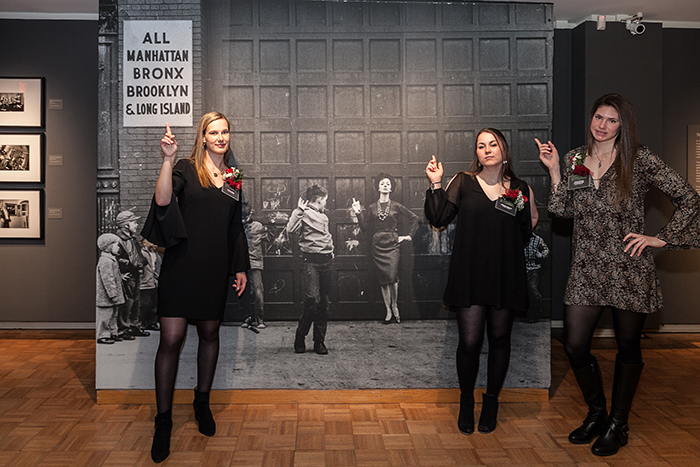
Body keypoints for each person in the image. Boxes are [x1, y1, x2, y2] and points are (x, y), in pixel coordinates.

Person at [537, 94, 700, 456]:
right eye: (599, 117)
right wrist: (554, 171)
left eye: (612, 120)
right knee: (575, 345)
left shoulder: (640, 160)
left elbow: (689, 198)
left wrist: (662, 238)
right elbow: (561, 209)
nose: (603, 125)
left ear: (622, 126)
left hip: (630, 267)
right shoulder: (575, 158)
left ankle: (618, 423)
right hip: (587, 266)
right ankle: (597, 412)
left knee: (628, 346)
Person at [141, 113, 250, 463]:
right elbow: (161, 202)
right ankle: (163, 421)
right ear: (202, 137)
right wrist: (167, 159)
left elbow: (235, 228)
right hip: (181, 265)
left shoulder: (234, 178)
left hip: (215, 267)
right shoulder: (186, 168)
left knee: (209, 334)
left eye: (225, 131)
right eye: (213, 132)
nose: (220, 137)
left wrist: (240, 266)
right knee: (170, 339)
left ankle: (202, 403)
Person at [424, 128, 537, 435]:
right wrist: (436, 183)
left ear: (504, 149)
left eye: (493, 144)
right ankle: (465, 401)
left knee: (500, 340)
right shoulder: (463, 181)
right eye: (481, 146)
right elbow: (438, 218)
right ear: (476, 153)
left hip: (505, 275)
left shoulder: (520, 188)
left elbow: (524, 231)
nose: (487, 150)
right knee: (470, 342)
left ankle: (491, 402)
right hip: (470, 274)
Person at [351, 173, 419, 324]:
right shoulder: (371, 208)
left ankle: (395, 305)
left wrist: (408, 236)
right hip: (378, 245)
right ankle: (388, 309)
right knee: (383, 278)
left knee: (392, 277)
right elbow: (364, 228)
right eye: (382, 183)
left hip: (392, 244)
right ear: (378, 187)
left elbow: (415, 218)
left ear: (391, 187)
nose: (385, 185)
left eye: (388, 183)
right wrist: (358, 212)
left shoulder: (396, 206)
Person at [277, 185, 334, 355]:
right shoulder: (303, 213)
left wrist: (331, 252)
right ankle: (300, 335)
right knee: (313, 299)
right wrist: (298, 211)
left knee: (323, 302)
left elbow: (326, 236)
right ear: (319, 200)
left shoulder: (324, 216)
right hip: (311, 262)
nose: (326, 203)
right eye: (325, 200)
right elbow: (290, 230)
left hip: (327, 261)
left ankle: (319, 342)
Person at [114, 210, 149, 340]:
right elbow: (115, 259)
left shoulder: (131, 239)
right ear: (126, 225)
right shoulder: (119, 241)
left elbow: (137, 257)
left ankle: (134, 326)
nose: (136, 225)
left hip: (135, 274)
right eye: (134, 222)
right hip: (128, 275)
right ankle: (124, 329)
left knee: (135, 302)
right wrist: (125, 269)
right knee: (127, 303)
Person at [95, 233, 125, 344]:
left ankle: (113, 333)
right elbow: (108, 279)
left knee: (113, 315)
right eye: (116, 245)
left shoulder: (111, 260)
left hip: (113, 295)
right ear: (108, 246)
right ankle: (103, 335)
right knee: (105, 316)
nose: (118, 248)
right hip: (107, 296)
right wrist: (113, 294)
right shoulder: (105, 261)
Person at [243, 209, 268, 329]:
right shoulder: (258, 226)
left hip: (242, 262)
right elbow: (267, 238)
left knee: (244, 290)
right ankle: (260, 320)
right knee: (258, 289)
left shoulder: (237, 226)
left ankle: (247, 318)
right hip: (255, 261)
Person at [524, 231, 549, 323]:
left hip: (533, 269)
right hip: (520, 269)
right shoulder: (519, 237)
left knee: (533, 289)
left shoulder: (537, 239)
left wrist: (541, 255)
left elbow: (546, 250)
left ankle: (536, 312)